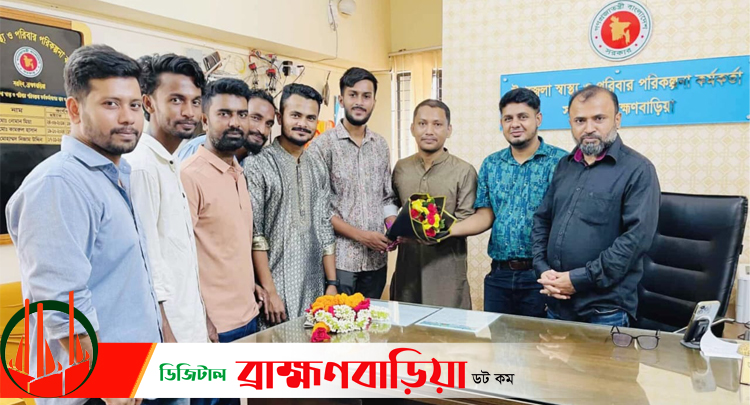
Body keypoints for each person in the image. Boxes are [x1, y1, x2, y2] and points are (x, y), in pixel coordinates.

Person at [5, 44, 161, 405]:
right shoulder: (59, 183)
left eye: (134, 105)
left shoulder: (115, 175)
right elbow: (61, 302)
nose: (128, 118)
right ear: (74, 109)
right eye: (111, 104)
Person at [532, 85, 661, 327]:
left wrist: (579, 279)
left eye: (599, 118)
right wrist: (542, 269)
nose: (589, 128)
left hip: (604, 310)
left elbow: (635, 240)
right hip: (557, 302)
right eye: (580, 120)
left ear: (617, 120)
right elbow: (542, 219)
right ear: (570, 123)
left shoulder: (638, 170)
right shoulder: (565, 165)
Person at [450, 88, 567, 317]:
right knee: (498, 338)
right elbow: (485, 215)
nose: (515, 124)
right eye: (508, 118)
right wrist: (447, 230)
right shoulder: (491, 164)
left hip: (542, 275)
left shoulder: (561, 162)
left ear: (538, 119)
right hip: (499, 275)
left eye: (523, 117)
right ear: (501, 123)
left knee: (538, 339)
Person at [124, 53, 208, 343]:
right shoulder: (142, 166)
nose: (189, 111)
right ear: (148, 103)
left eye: (195, 101)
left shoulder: (170, 162)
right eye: (176, 100)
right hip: (170, 336)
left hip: (190, 327)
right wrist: (166, 337)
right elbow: (147, 263)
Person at [244, 83, 337, 329]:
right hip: (274, 293)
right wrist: (270, 292)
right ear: (279, 117)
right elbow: (256, 235)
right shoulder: (257, 165)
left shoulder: (317, 165)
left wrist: (332, 283)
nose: (303, 124)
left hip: (315, 288)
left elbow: (324, 225)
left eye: (310, 118)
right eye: (295, 115)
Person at [180, 78, 262, 344]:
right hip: (216, 327)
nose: (235, 123)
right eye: (224, 114)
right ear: (205, 121)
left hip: (250, 314)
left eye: (242, 114)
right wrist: (202, 319)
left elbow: (226, 247)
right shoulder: (188, 176)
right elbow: (178, 262)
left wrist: (250, 285)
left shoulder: (238, 171)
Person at [307, 67, 398, 298]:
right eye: (353, 95)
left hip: (376, 261)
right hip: (339, 262)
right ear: (341, 100)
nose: (359, 102)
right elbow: (318, 209)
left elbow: (387, 197)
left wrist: (392, 226)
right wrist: (362, 236)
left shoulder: (380, 145)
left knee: (372, 319)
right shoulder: (322, 146)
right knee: (339, 320)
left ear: (374, 101)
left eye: (366, 96)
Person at [390, 99, 477, 308]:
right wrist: (391, 227)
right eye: (422, 124)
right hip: (407, 269)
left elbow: (467, 218)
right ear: (412, 128)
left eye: (437, 124)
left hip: (447, 271)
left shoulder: (464, 171)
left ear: (449, 130)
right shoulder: (401, 167)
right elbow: (391, 204)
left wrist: (438, 231)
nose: (429, 131)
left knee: (448, 326)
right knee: (406, 324)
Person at [176, 87, 273, 164]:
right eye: (255, 118)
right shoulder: (197, 148)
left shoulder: (253, 160)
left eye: (268, 124)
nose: (262, 130)